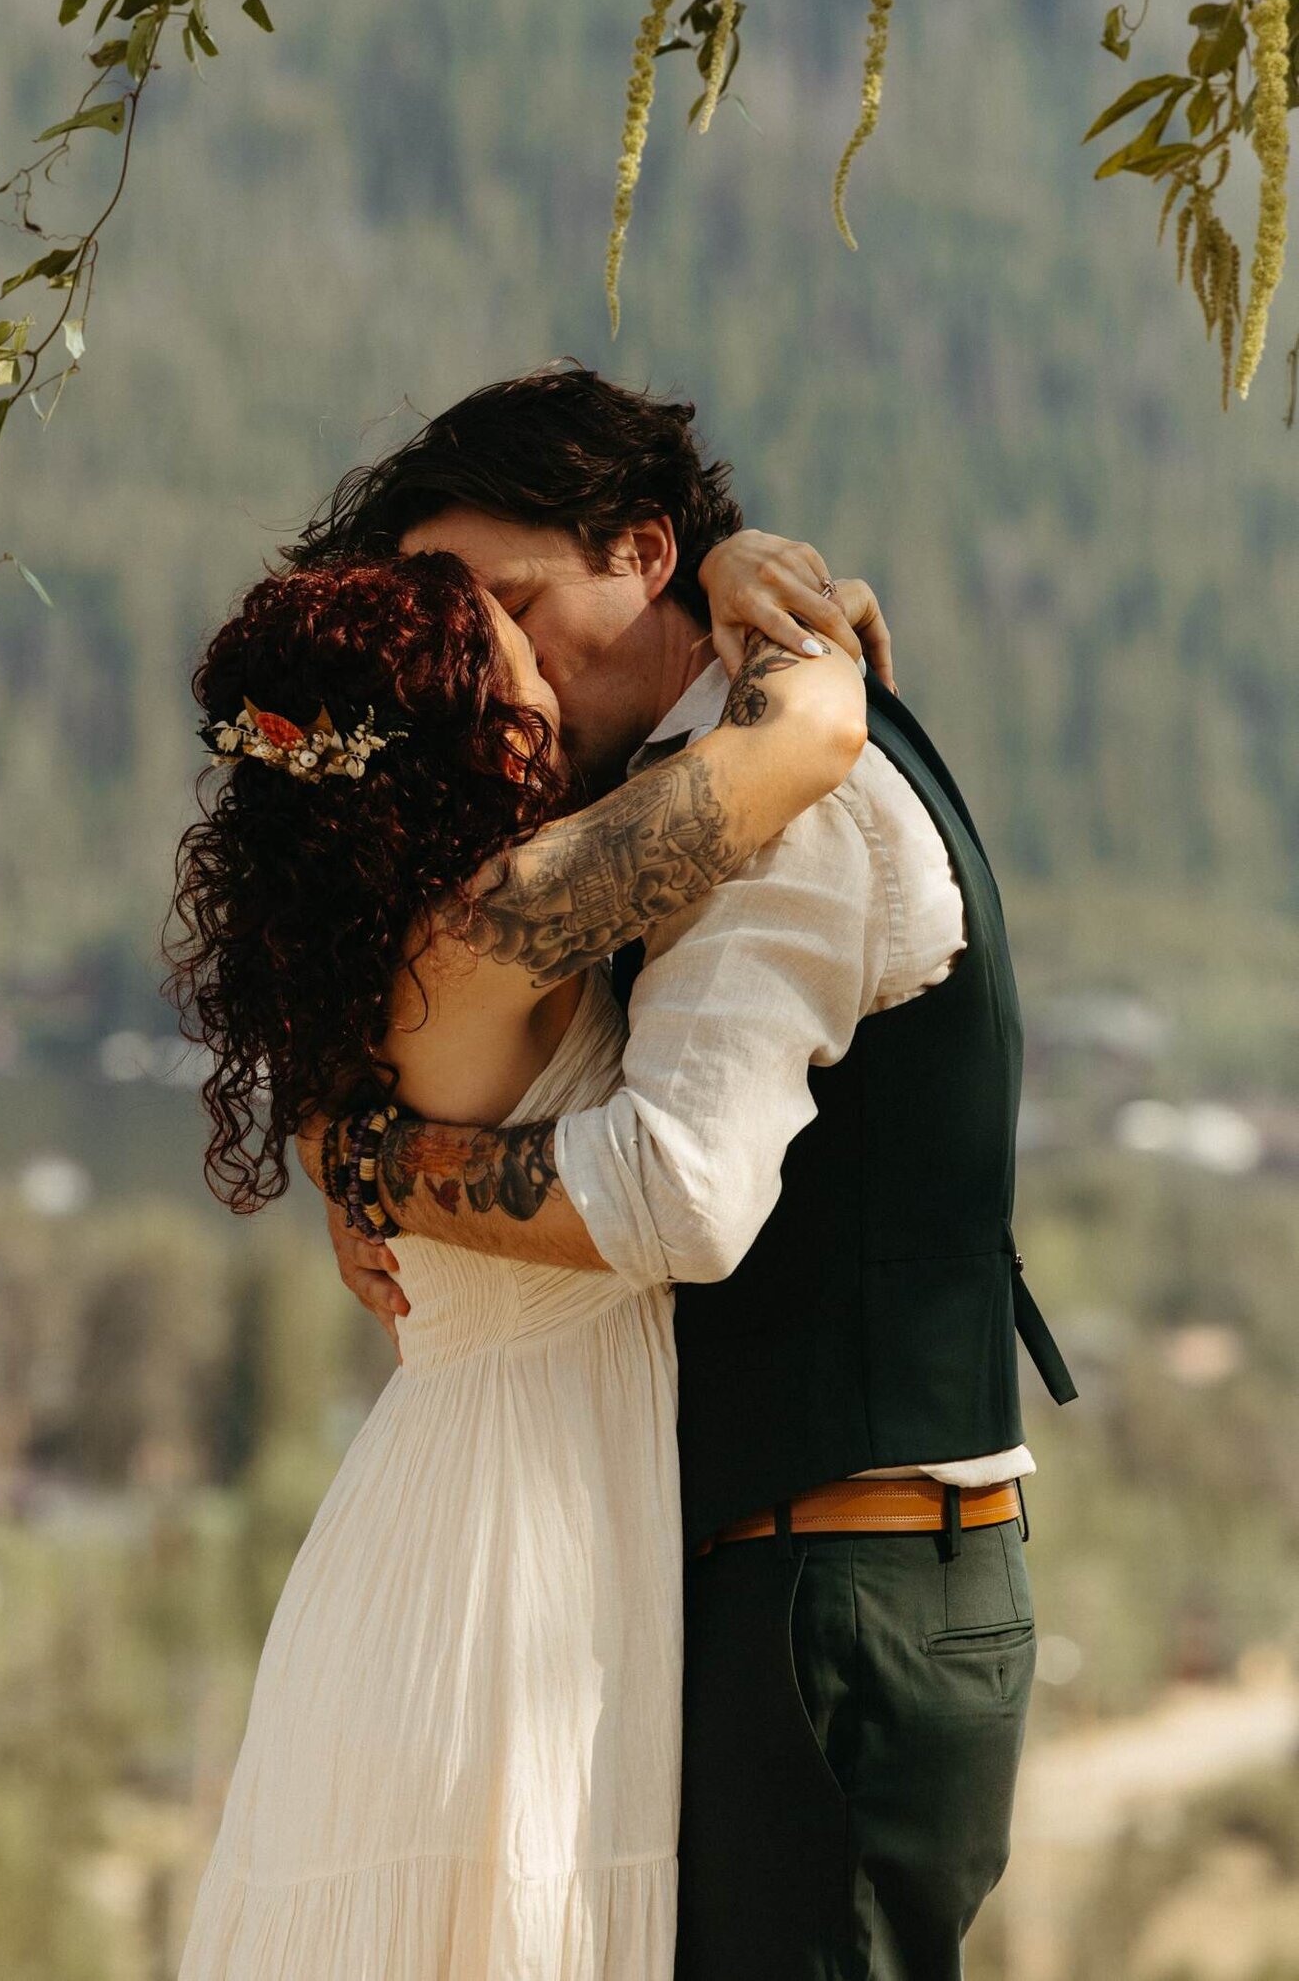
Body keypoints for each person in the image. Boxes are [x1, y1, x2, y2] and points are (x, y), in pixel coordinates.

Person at [298, 362, 1077, 1981]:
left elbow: (674, 1197)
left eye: (510, 596)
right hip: (798, 1576)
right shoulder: (675, 794)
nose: (494, 650)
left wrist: (376, 1160)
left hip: (836, 1594)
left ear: (643, 553)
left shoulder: (783, 810)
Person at [165, 540, 868, 1980]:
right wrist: (739, 568)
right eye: (523, 659)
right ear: (468, 726)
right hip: (511, 1549)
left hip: (446, 1502)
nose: (557, 680)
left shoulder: (366, 962)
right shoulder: (506, 920)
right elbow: (815, 732)